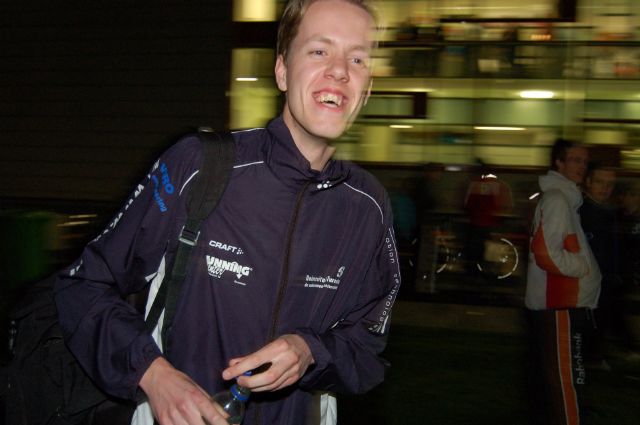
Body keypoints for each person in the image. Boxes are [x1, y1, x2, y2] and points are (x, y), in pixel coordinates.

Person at [53, 1, 401, 425]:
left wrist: (311, 350)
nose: (340, 71)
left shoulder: (368, 207)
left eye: (357, 59)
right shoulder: (201, 166)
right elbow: (84, 286)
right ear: (282, 70)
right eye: (319, 50)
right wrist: (152, 375)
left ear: (367, 89)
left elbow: (366, 346)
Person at [524, 138, 601, 425]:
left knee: (561, 380)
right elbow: (545, 253)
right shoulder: (558, 200)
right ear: (558, 162)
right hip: (560, 306)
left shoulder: (565, 199)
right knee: (565, 382)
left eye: (584, 161)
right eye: (575, 160)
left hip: (564, 307)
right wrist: (583, 266)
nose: (581, 166)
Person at [579, 163, 619, 369]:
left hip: (605, 277)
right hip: (589, 278)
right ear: (588, 182)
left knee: (600, 319)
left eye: (609, 184)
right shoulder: (582, 211)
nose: (605, 188)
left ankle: (592, 355)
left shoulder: (607, 212)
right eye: (600, 182)